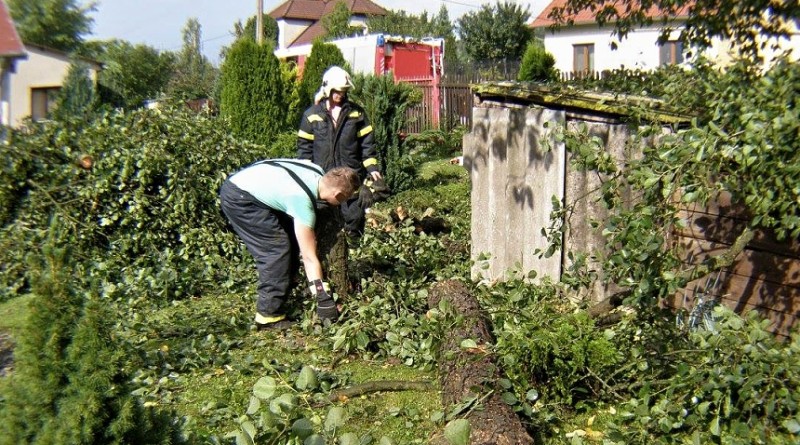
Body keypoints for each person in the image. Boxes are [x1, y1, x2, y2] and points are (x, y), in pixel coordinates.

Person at [219, 158, 360, 329]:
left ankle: (287, 286)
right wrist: (323, 298)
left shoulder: (316, 170)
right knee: (276, 250)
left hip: (250, 181)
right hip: (240, 198)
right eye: (344, 200)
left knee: (290, 239)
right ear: (338, 195)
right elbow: (308, 257)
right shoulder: (301, 201)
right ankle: (268, 315)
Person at [297, 66, 383, 237]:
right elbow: (304, 149)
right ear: (327, 89)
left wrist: (372, 170)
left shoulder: (356, 113)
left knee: (354, 218)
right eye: (337, 91)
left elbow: (367, 146)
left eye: (344, 91)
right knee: (324, 226)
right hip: (323, 179)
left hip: (350, 176)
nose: (340, 95)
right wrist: (306, 176)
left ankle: (355, 254)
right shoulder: (312, 115)